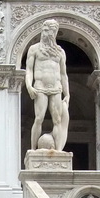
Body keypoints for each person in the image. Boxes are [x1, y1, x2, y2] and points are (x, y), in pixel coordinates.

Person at [24, 18, 70, 152]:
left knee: (57, 120)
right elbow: (29, 70)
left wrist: (67, 93)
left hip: (56, 88)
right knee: (39, 118)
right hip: (40, 88)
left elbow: (63, 74)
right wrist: (29, 85)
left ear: (54, 33)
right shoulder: (34, 49)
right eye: (43, 30)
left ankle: (59, 150)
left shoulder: (60, 51)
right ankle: (33, 149)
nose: (44, 34)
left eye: (48, 31)